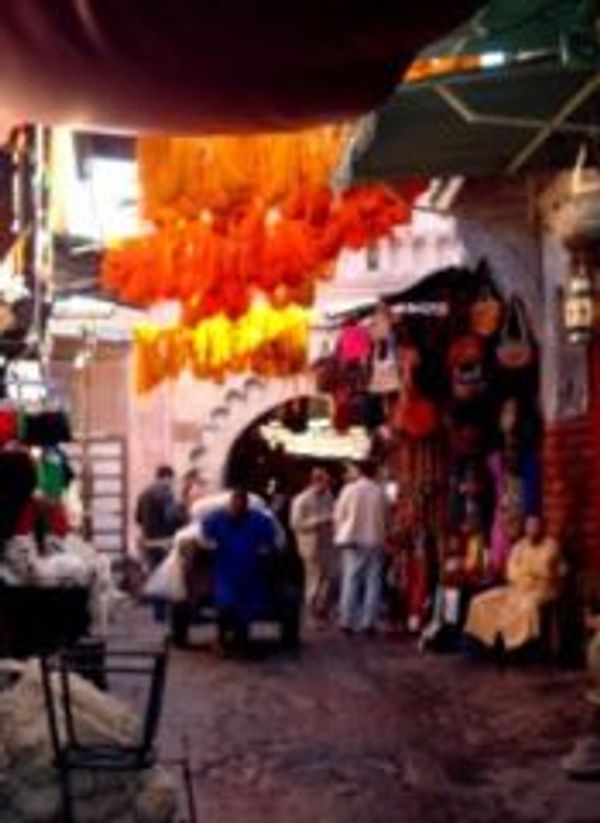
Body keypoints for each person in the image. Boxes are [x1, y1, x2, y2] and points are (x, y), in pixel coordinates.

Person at [464, 516, 565, 653]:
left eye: (536, 526)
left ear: (543, 528)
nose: (532, 529)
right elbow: (511, 571)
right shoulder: (519, 546)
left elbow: (547, 570)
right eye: (529, 526)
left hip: (541, 590)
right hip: (517, 588)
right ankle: (487, 643)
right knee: (480, 601)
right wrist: (526, 575)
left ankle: (517, 648)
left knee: (524, 608)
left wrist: (529, 573)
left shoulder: (551, 546)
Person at [202, 489, 279, 655]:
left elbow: (270, 539)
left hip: (250, 571)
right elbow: (205, 533)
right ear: (230, 504)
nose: (236, 509)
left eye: (240, 506)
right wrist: (209, 543)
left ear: (245, 506)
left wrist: (266, 549)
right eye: (234, 505)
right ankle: (221, 639)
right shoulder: (217, 518)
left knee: (246, 608)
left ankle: (241, 640)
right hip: (226, 570)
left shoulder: (258, 520)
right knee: (225, 604)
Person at [335, 460, 388, 634]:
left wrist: (341, 534)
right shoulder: (380, 491)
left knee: (351, 580)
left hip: (353, 540)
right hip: (374, 540)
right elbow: (386, 516)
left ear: (359, 471)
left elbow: (339, 515)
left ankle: (347, 621)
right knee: (373, 581)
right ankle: (368, 622)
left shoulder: (349, 490)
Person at [291, 467, 335, 620]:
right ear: (316, 481)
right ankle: (311, 609)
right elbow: (295, 523)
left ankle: (322, 608)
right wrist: (315, 522)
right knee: (314, 578)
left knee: (327, 577)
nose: (328, 486)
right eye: (325, 482)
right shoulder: (301, 500)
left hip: (326, 543)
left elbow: (332, 512)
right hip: (310, 545)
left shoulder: (328, 497)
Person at [135, 465, 183, 571]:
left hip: (147, 542)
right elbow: (171, 518)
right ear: (167, 477)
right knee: (163, 575)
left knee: (151, 573)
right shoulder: (167, 493)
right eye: (172, 480)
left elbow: (138, 518)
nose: (172, 483)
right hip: (163, 542)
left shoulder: (143, 494)